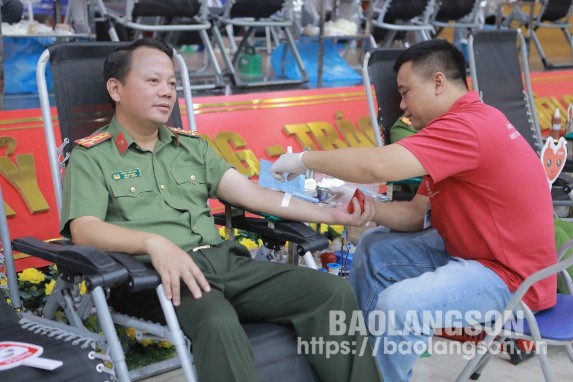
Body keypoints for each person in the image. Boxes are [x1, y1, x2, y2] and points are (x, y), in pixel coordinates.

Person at [59, 38, 382, 382]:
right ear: (116, 89)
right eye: (153, 81)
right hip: (157, 279)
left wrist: (331, 215)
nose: (167, 92)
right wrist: (153, 244)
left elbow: (252, 195)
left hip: (225, 263)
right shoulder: (92, 156)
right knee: (217, 320)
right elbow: (85, 228)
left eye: (171, 82)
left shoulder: (192, 147)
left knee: (330, 292)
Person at [270, 38, 556, 381]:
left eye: (405, 92)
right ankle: (356, 364)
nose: (402, 106)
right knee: (376, 248)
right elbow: (416, 214)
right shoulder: (462, 126)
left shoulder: (467, 127)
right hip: (474, 253)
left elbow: (377, 166)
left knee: (401, 306)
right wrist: (367, 207)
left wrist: (304, 159)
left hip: (511, 278)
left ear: (438, 82)